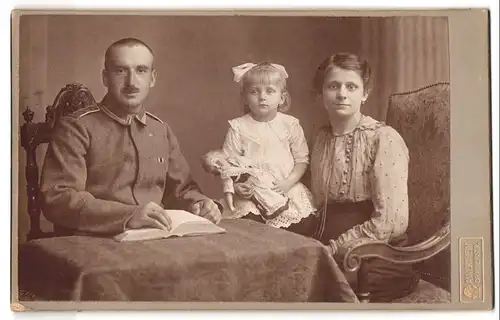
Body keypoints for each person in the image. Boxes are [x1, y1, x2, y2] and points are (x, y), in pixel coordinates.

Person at [39, 37, 222, 236]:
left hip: (156, 238)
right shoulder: (76, 127)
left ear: (152, 78)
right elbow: (58, 197)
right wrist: (127, 216)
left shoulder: (161, 130)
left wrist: (199, 203)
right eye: (120, 70)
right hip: (94, 241)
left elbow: (181, 191)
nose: (131, 82)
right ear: (105, 78)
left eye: (141, 70)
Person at [309, 52, 420, 301]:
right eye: (333, 86)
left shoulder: (383, 138)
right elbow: (316, 204)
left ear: (365, 94)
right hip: (326, 247)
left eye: (351, 86)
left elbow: (391, 222)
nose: (342, 94)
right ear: (321, 94)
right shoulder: (321, 139)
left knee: (316, 288)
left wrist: (335, 248)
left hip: (377, 255)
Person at [219, 61, 317, 237]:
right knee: (248, 226)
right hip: (252, 193)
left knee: (299, 225)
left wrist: (287, 183)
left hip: (284, 188)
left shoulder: (290, 124)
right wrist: (237, 186)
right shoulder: (238, 127)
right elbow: (228, 164)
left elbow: (302, 160)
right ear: (244, 98)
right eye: (254, 91)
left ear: (282, 97)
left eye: (269, 91)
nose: (262, 97)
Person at [202, 149, 290, 220]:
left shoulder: (235, 160)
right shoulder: (226, 174)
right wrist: (232, 203)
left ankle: (280, 200)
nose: (219, 167)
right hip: (251, 186)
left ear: (223, 157)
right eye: (215, 169)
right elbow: (227, 190)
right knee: (264, 196)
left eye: (218, 163)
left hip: (266, 176)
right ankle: (274, 208)